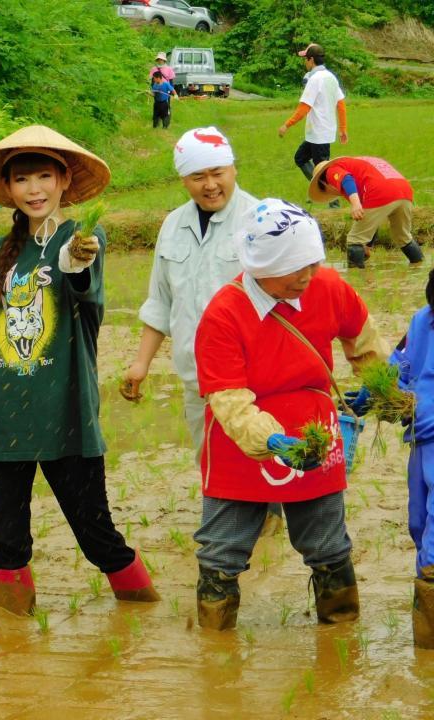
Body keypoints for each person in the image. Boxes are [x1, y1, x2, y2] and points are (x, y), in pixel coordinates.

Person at [0, 125, 159, 616]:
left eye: (44, 176)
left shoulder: (83, 239)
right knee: (6, 543)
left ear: (65, 180)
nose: (34, 189)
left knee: (98, 538)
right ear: (7, 189)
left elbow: (84, 290)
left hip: (65, 412)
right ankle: (14, 651)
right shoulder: (6, 250)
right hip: (6, 416)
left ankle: (144, 615)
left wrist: (75, 264)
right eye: (22, 179)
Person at [192, 198, 388, 630]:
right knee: (222, 550)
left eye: (311, 263)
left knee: (328, 544)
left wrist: (380, 389)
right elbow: (227, 399)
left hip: (315, 429)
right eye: (292, 267)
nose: (305, 276)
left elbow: (365, 342)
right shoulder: (224, 314)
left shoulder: (329, 287)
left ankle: (341, 632)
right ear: (259, 265)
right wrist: (271, 441)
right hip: (242, 440)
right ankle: (216, 643)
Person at [122, 127, 255, 461]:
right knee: (211, 464)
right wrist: (141, 364)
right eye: (198, 176)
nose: (210, 185)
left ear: (233, 168)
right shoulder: (173, 225)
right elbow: (161, 301)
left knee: (262, 467)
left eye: (217, 173)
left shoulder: (259, 220)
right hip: (197, 378)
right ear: (183, 180)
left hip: (251, 378)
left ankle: (270, 515)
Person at [383, 273, 434, 648]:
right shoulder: (423, 319)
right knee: (418, 523)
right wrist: (380, 392)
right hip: (421, 437)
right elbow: (399, 363)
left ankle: (428, 650)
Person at [309, 155, 423, 269]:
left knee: (354, 240)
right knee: (403, 237)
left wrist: (355, 204)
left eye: (324, 191)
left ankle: (357, 279)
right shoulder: (359, 165)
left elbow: (346, 179)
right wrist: (368, 246)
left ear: (324, 184)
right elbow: (372, 220)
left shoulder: (330, 171)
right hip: (404, 190)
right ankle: (419, 266)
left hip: (379, 190)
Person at [277, 43, 347, 196]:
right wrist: (342, 129)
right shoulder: (331, 77)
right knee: (300, 158)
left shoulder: (315, 79)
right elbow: (341, 105)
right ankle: (318, 190)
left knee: (322, 170)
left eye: (305, 59)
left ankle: (330, 198)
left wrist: (286, 125)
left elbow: (304, 109)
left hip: (319, 133)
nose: (305, 62)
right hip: (319, 133)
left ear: (311, 60)